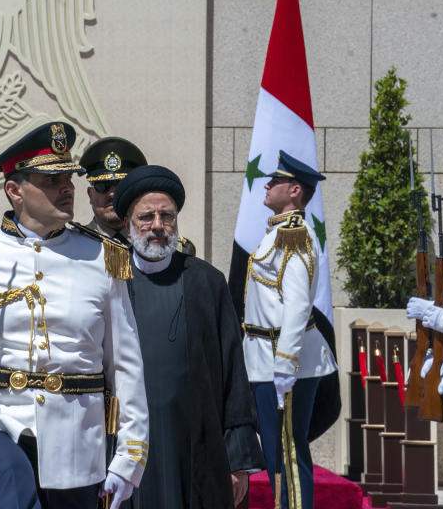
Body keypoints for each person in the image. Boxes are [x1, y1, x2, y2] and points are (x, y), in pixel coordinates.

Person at [0, 121, 149, 509]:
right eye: (51, 179)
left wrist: (131, 455)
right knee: (12, 481)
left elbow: (126, 366)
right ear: (14, 190)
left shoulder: (103, 257)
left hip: (76, 441)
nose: (67, 188)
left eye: (68, 178)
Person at [110, 165, 264, 508]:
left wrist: (238, 459)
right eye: (146, 217)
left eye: (167, 216)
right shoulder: (109, 281)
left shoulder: (206, 281)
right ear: (127, 224)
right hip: (124, 443)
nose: (158, 226)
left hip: (194, 442)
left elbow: (233, 374)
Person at [242, 151, 337, 509]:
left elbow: (297, 305)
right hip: (267, 359)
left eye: (276, 181)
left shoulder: (294, 236)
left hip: (283, 363)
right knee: (278, 454)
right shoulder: (279, 233)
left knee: (288, 455)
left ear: (295, 190)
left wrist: (285, 363)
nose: (267, 185)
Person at [79, 137, 196, 255]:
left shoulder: (172, 247)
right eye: (103, 186)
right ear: (90, 194)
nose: (113, 194)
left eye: (121, 186)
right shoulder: (75, 246)